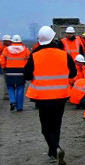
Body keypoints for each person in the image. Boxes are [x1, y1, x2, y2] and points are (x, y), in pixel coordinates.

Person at [24, 26, 77, 164]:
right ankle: (53, 152)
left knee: (46, 127)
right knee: (56, 125)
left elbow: (27, 75)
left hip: (42, 98)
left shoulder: (35, 55)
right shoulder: (63, 54)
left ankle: (55, 149)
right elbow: (73, 73)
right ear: (53, 38)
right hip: (61, 96)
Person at [0, 35, 30, 111]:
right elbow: (28, 61)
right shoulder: (25, 50)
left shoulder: (7, 49)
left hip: (9, 71)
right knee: (20, 88)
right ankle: (19, 107)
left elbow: (2, 59)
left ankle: (12, 101)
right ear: (21, 41)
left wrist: (4, 67)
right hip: (21, 71)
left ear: (12, 41)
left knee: (10, 87)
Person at [0, 34, 12, 100]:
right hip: (5, 66)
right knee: (6, 81)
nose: (10, 42)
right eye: (9, 41)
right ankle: (7, 94)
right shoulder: (3, 48)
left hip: (7, 66)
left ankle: (7, 94)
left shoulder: (4, 47)